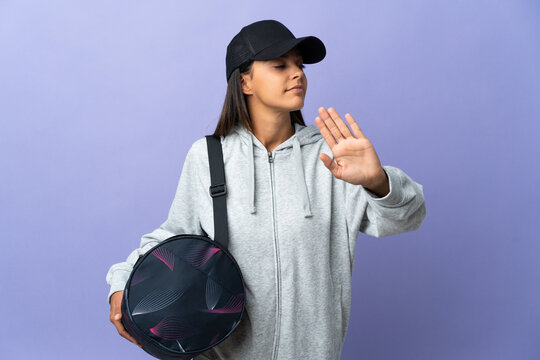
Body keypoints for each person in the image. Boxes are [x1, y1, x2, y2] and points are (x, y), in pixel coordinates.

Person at [106, 19, 426, 360]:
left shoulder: (334, 158)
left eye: (300, 66)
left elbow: (408, 218)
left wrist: (377, 183)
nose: (298, 74)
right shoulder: (209, 157)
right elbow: (174, 236)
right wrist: (122, 281)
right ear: (245, 81)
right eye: (280, 65)